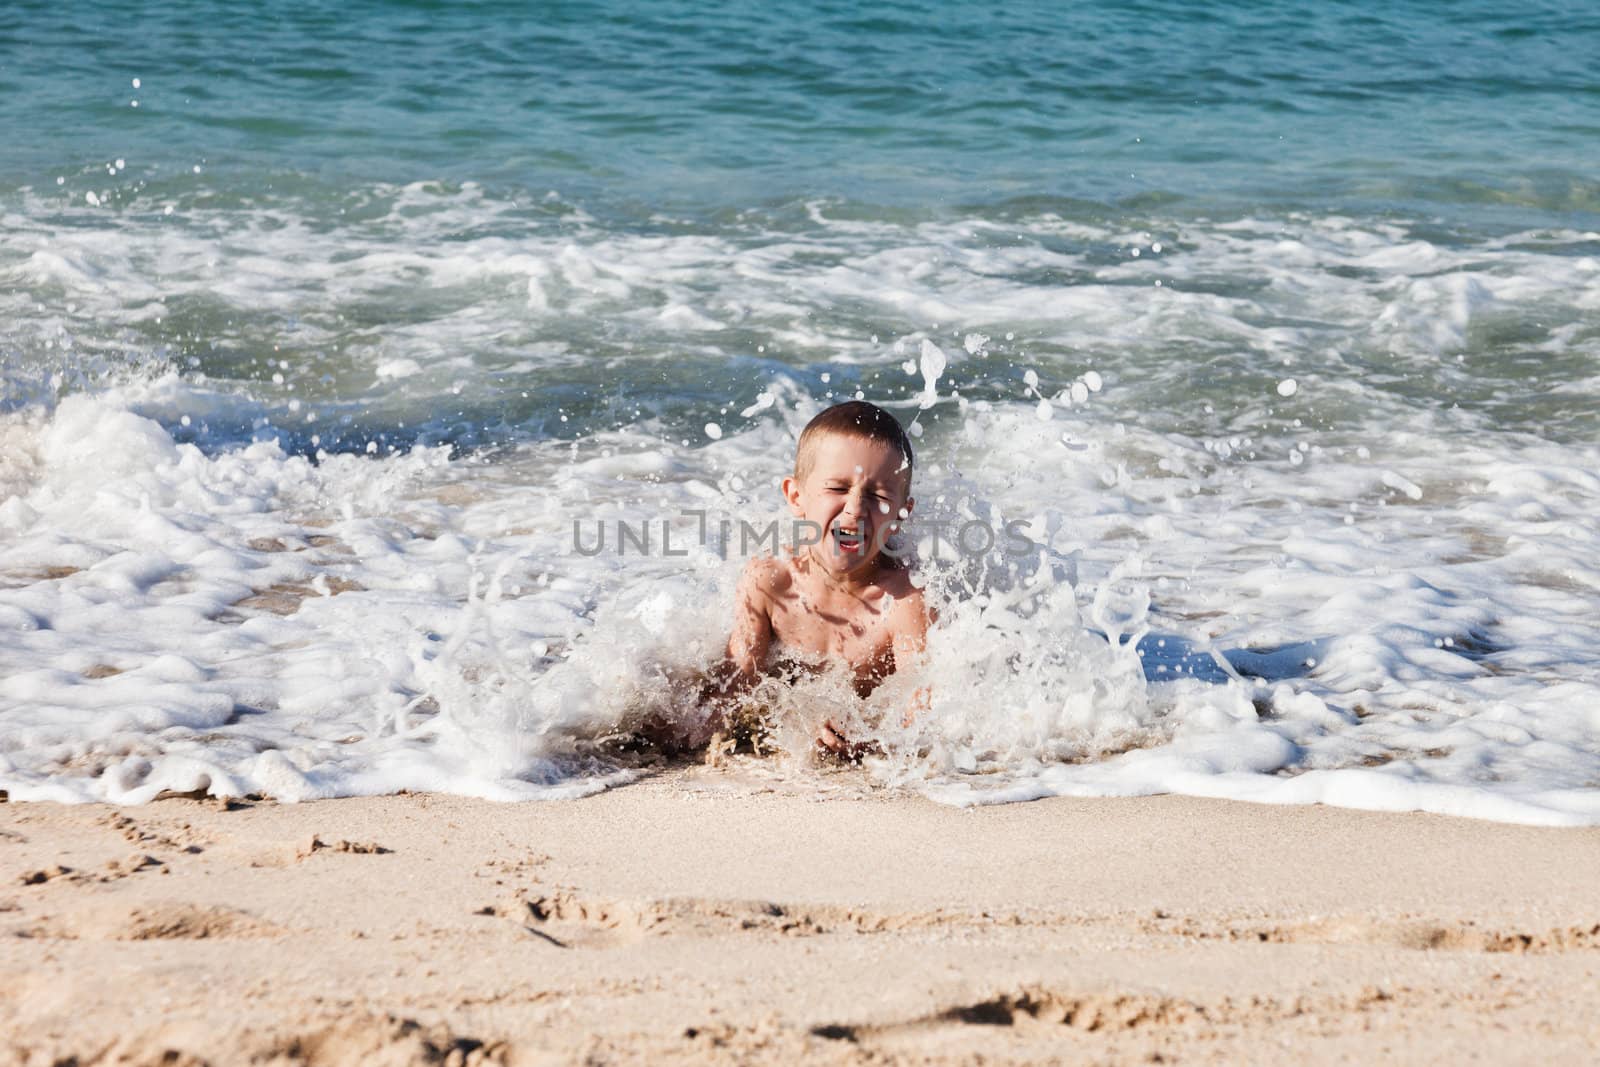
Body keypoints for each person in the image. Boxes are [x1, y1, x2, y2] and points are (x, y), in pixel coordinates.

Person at [717, 400, 931, 757]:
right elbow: (731, 697)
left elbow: (921, 714)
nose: (855, 509)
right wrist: (795, 722)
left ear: (900, 514)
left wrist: (873, 739)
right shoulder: (770, 583)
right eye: (837, 488)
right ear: (796, 496)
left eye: (878, 496)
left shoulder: (904, 601)